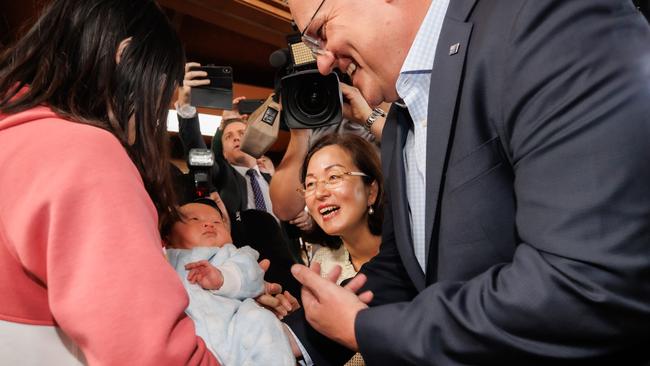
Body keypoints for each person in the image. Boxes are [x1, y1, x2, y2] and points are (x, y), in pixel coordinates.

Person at [285, 0, 650, 365]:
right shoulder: (400, 118)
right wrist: (293, 337)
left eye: (320, 33)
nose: (323, 62)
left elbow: (586, 287)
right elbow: (404, 269)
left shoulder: (545, 20)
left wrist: (364, 328)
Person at [0, 0, 220, 364]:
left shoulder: (16, 137)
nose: (154, 113)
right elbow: (152, 353)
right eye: (160, 94)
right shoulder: (83, 151)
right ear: (126, 56)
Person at [163, 199, 296, 366]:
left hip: (235, 331)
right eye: (194, 220)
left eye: (217, 222)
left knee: (262, 322)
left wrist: (223, 278)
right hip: (190, 337)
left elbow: (250, 274)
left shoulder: (233, 254)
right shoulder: (164, 259)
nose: (208, 225)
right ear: (167, 237)